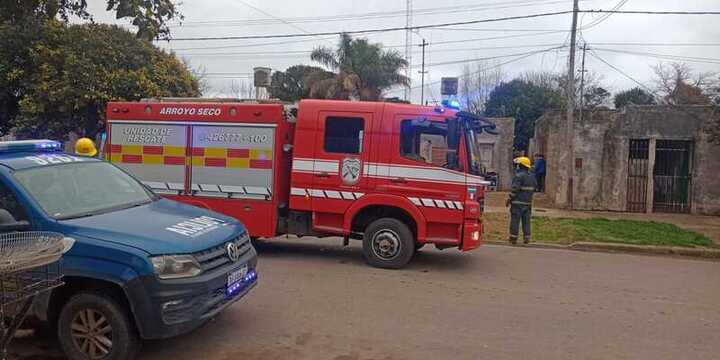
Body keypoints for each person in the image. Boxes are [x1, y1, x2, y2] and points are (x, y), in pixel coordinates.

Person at [506, 156, 537, 245]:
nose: (517, 166)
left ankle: (513, 238)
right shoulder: (532, 176)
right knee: (526, 221)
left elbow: (515, 190)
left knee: (515, 221)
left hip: (517, 203)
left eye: (518, 165)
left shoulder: (518, 176)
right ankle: (527, 238)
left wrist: (509, 199)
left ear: (521, 165)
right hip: (528, 203)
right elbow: (534, 187)